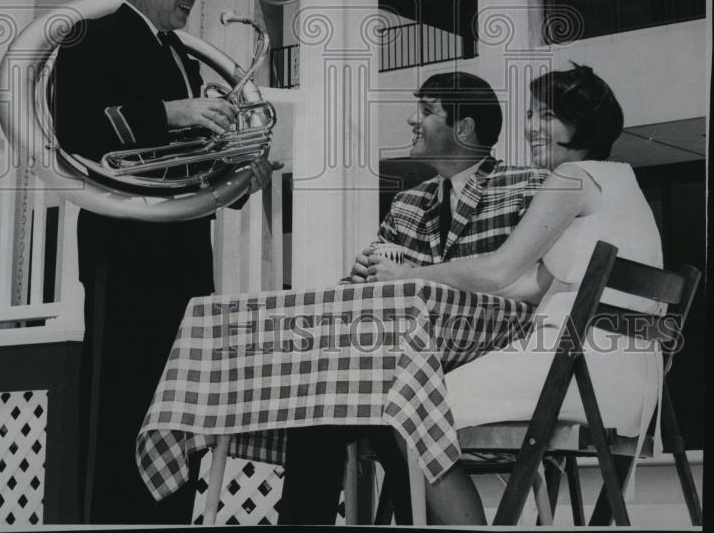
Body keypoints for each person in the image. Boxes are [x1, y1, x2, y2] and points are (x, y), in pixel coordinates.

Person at [367, 63, 662, 525]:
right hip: (625, 378)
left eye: (547, 115)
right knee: (418, 411)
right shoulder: (622, 181)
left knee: (407, 413)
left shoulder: (571, 179)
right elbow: (529, 285)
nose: (530, 127)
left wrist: (408, 275)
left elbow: (500, 269)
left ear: (581, 124)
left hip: (576, 370)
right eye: (531, 114)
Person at [53, 0, 276, 524]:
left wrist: (233, 175)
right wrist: (172, 112)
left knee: (178, 409)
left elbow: (190, 169)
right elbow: (73, 129)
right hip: (122, 252)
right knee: (119, 407)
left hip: (182, 255)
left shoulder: (180, 53)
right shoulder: (88, 37)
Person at [277, 71, 549, 525]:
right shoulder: (407, 202)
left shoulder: (527, 186)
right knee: (319, 407)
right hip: (401, 373)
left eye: (426, 110)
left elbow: (529, 284)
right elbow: (355, 295)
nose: (411, 120)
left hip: (483, 368)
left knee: (384, 414)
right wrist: (363, 279)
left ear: (463, 129)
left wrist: (409, 278)